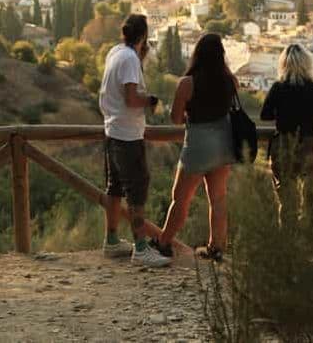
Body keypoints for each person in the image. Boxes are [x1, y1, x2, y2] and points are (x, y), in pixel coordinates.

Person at [152, 34, 238, 262]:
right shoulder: (231, 81)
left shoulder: (187, 83)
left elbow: (176, 119)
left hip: (198, 145)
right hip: (223, 144)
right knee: (218, 199)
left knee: (180, 199)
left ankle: (164, 243)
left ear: (197, 54)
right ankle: (216, 248)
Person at [99, 14, 170, 267]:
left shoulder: (115, 52)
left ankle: (111, 240)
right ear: (143, 36)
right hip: (128, 135)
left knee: (114, 187)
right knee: (136, 191)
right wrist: (151, 101)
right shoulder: (129, 59)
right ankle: (141, 248)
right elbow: (131, 98)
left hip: (112, 130)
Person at [260, 44, 313, 225]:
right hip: (309, 145)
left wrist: (284, 114)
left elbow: (265, 115)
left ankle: (288, 245)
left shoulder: (278, 88)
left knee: (287, 201)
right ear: (307, 64)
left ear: (283, 64)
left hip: (283, 144)